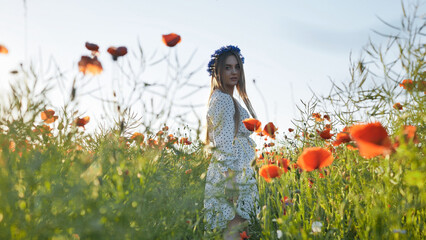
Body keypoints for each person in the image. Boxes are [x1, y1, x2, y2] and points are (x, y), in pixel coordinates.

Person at [204, 45, 260, 239]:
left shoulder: (226, 99)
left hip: (236, 173)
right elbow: (224, 143)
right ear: (218, 71)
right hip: (232, 175)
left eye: (236, 66)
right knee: (234, 231)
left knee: (236, 231)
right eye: (227, 67)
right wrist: (231, 181)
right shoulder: (224, 100)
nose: (234, 71)